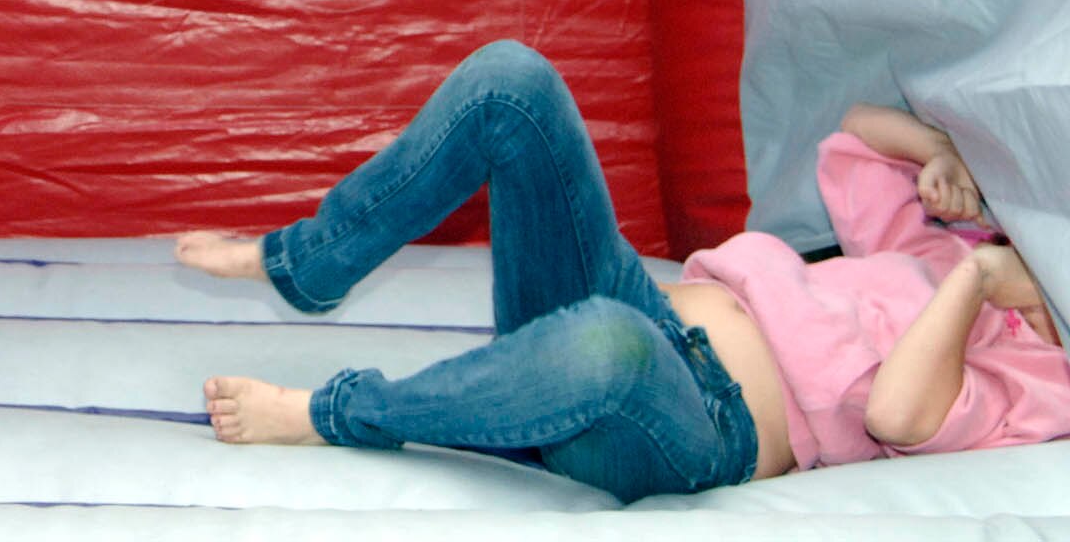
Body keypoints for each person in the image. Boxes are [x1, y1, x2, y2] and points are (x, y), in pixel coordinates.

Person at [174, 40, 1070, 503]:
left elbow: (897, 414)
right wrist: (945, 156)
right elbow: (857, 127)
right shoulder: (939, 248)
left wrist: (984, 284)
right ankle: (307, 263)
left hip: (690, 421)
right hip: (635, 296)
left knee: (608, 348)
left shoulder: (1042, 376)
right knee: (512, 82)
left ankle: (341, 413)